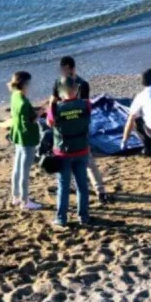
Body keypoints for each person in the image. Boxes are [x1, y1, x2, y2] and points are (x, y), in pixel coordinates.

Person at [52, 56, 111, 204]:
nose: (62, 72)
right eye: (61, 69)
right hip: (65, 127)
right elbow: (54, 102)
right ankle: (77, 186)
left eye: (65, 69)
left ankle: (100, 190)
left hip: (79, 127)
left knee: (88, 160)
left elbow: (85, 106)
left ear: (72, 68)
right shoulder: (58, 82)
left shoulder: (83, 84)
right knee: (71, 160)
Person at [47, 76, 91, 228]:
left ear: (59, 92)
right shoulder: (85, 104)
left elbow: (50, 123)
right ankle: (83, 216)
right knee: (82, 185)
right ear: (76, 88)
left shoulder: (56, 108)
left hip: (63, 153)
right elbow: (87, 115)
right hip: (81, 150)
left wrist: (52, 102)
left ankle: (61, 219)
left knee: (63, 187)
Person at [8, 71, 42, 211]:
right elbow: (28, 123)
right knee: (25, 171)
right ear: (25, 84)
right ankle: (25, 201)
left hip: (17, 136)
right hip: (26, 139)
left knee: (17, 168)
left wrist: (35, 111)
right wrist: (39, 114)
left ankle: (15, 196)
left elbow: (22, 114)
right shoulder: (23, 102)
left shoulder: (15, 95)